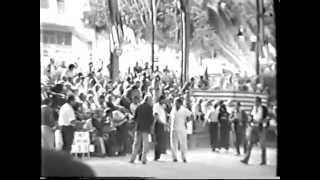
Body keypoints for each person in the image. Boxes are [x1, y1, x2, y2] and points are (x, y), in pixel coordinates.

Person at [241, 97, 269, 165]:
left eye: (256, 101)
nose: (255, 103)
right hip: (253, 127)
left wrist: (262, 122)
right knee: (250, 143)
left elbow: (267, 118)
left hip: (260, 128)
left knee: (262, 144)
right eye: (254, 101)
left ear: (259, 102)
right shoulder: (253, 107)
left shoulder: (263, 108)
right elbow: (251, 116)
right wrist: (250, 120)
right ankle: (246, 159)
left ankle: (263, 160)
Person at [129, 95, 154, 164]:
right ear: (148, 100)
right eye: (150, 100)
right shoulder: (149, 108)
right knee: (145, 144)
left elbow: (135, 117)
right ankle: (143, 158)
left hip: (139, 127)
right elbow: (151, 119)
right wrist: (151, 127)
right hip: (145, 128)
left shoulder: (139, 107)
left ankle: (132, 158)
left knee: (136, 143)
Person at [170, 98, 193, 163]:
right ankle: (174, 157)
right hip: (173, 128)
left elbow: (191, 115)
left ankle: (184, 157)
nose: (175, 104)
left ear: (180, 103)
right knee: (173, 143)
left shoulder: (184, 110)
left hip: (181, 128)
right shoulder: (173, 109)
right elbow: (171, 118)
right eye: (175, 102)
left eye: (176, 102)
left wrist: (187, 121)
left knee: (183, 144)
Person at [153, 95, 168, 161]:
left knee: (161, 140)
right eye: (163, 99)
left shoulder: (163, 106)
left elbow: (164, 114)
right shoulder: (156, 106)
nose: (164, 101)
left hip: (163, 124)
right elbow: (156, 115)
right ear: (160, 99)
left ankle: (159, 155)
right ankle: (156, 155)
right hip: (158, 124)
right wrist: (161, 122)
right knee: (157, 140)